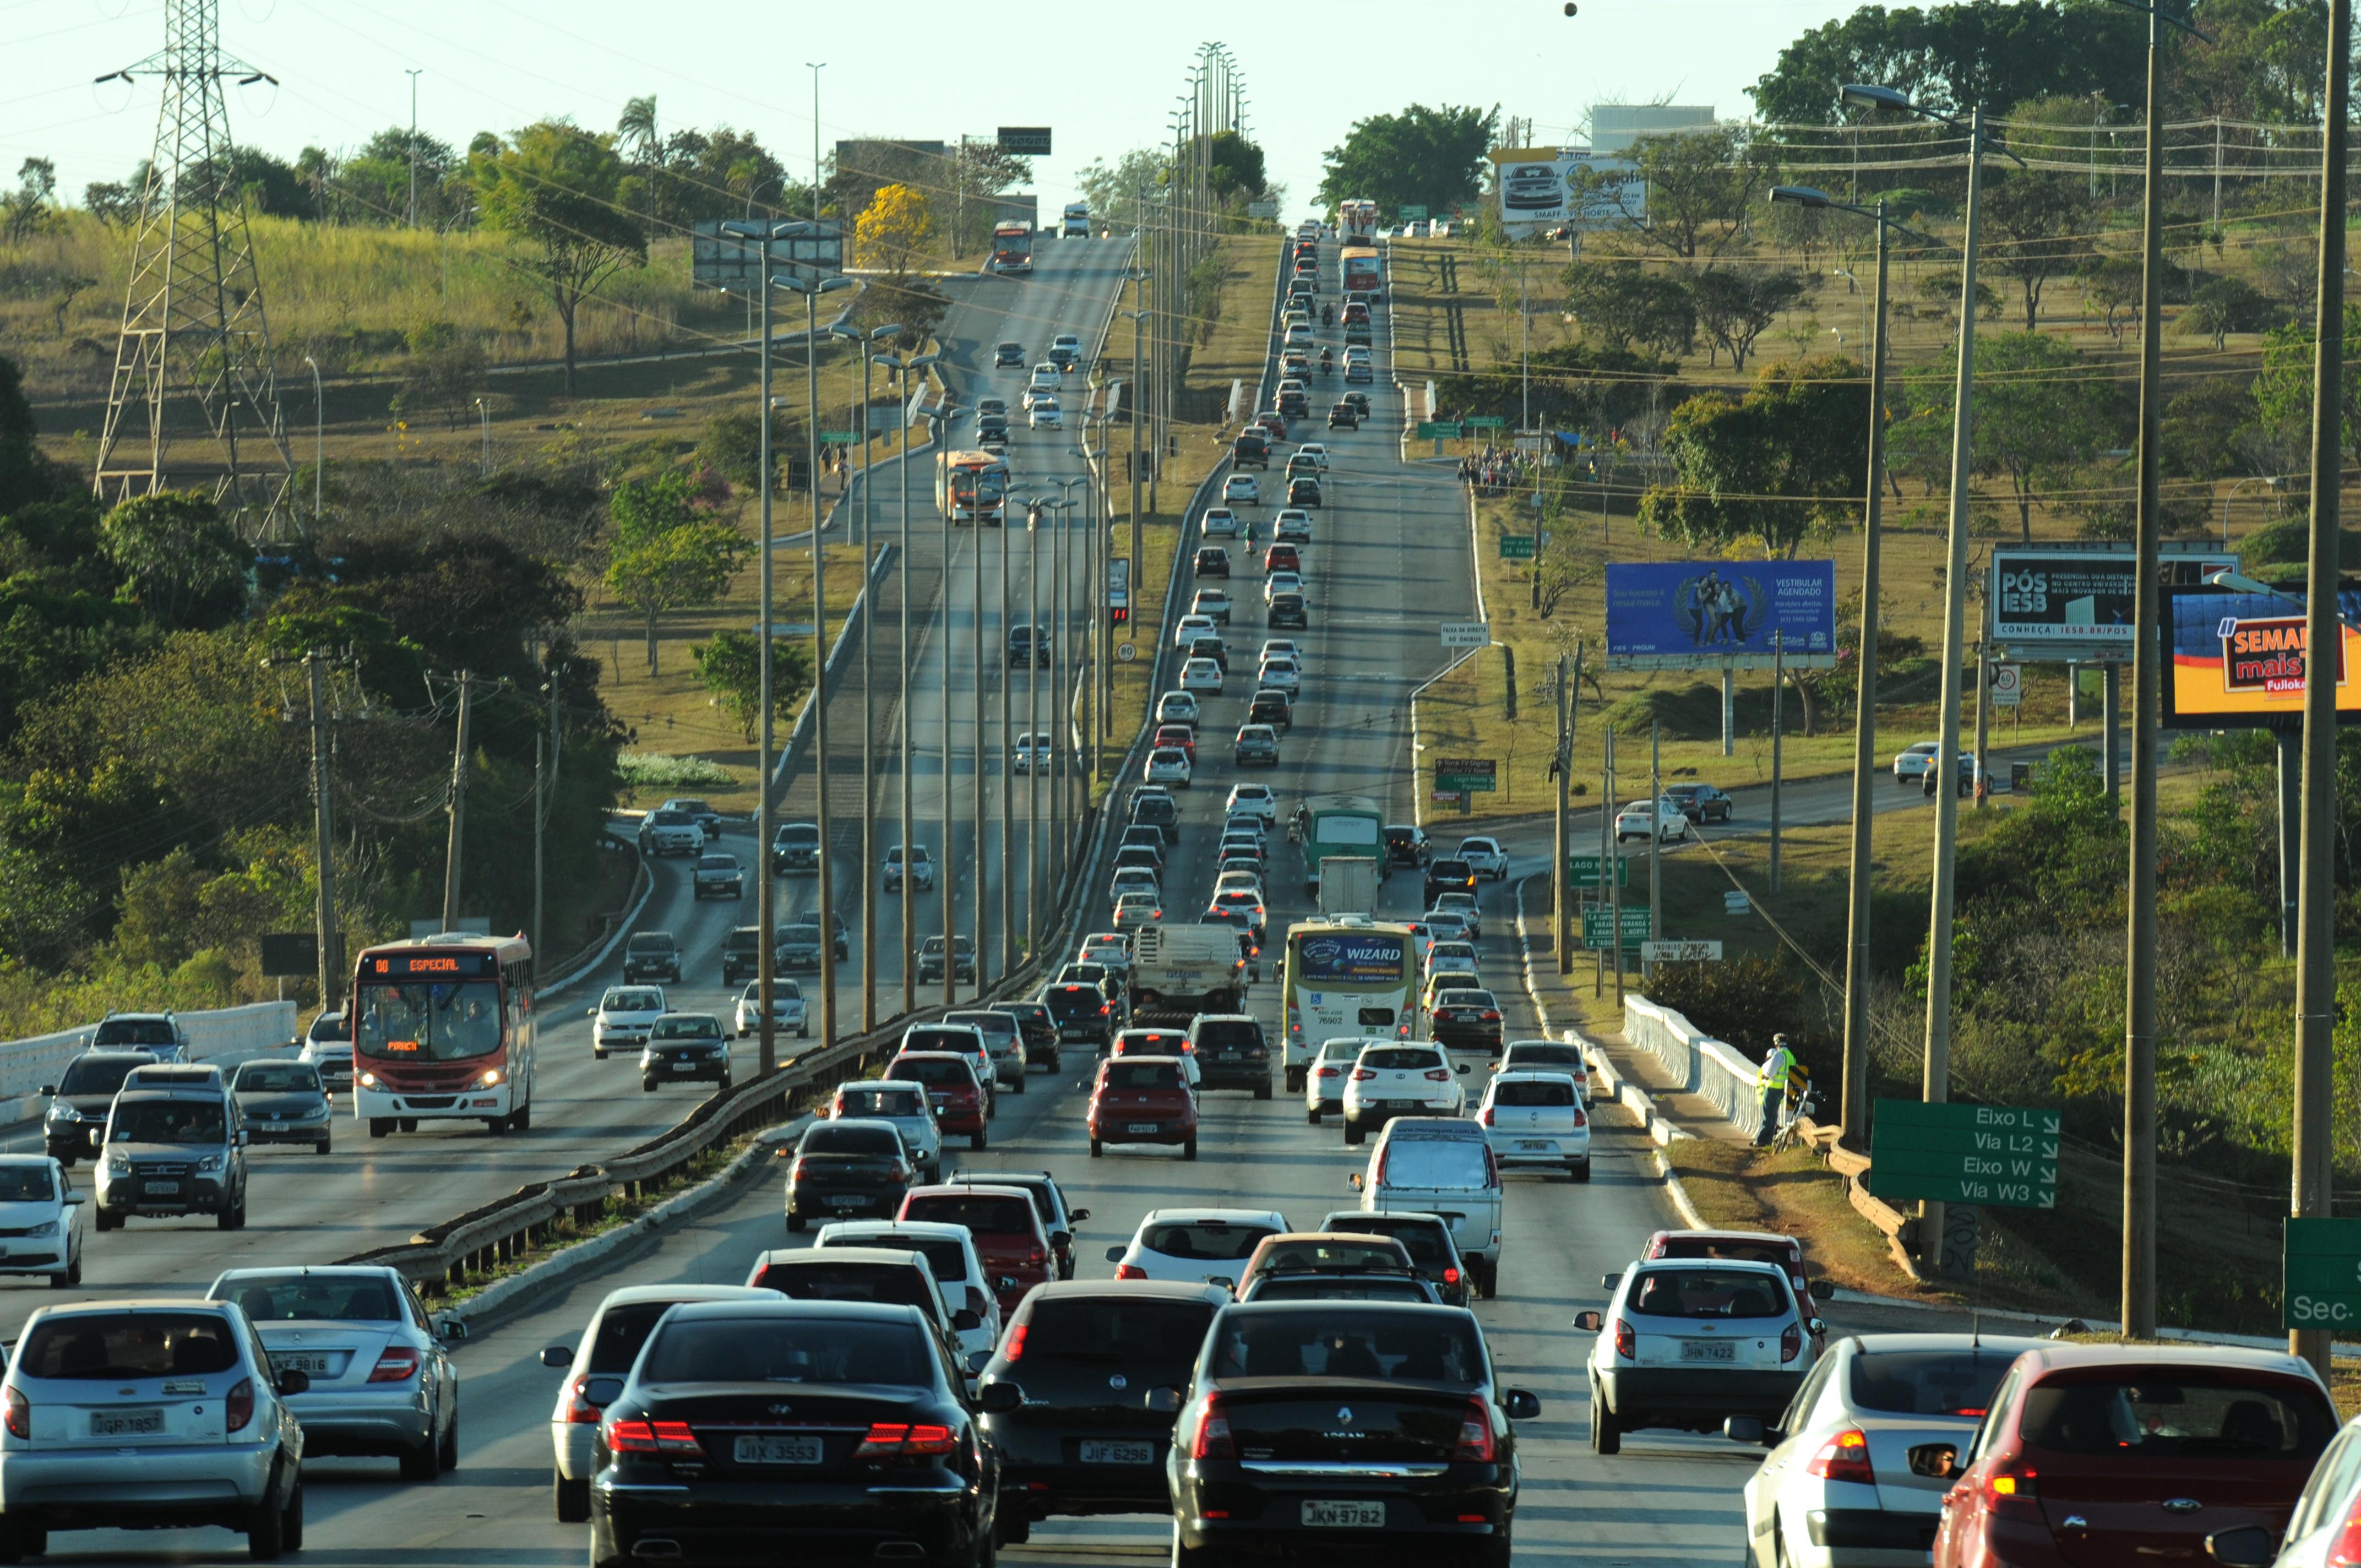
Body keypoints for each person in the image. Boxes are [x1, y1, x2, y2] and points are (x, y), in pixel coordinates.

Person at [1755, 1035, 1800, 1146]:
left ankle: (1761, 1140)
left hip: (1773, 1088)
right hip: (1782, 1090)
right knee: (1774, 1116)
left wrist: (1764, 1076)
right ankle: (1769, 1139)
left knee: (1767, 1116)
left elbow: (1771, 1072)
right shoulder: (1791, 1056)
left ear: (1776, 1043)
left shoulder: (1779, 1055)